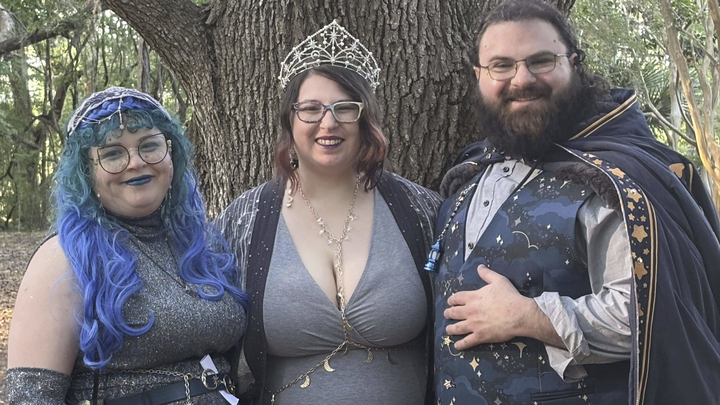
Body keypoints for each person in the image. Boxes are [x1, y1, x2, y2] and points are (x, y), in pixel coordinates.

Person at [431, 1, 720, 404]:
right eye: (502, 66)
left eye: (541, 61)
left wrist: (531, 317)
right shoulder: (465, 180)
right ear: (479, 75)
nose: (522, 79)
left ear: (574, 64)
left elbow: (653, 314)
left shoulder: (614, 182)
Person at [214, 20, 442, 405]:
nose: (329, 122)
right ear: (289, 120)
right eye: (311, 109)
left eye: (345, 108)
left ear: (364, 119)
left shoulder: (421, 211)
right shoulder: (243, 221)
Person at [6, 87, 249, 405]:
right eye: (112, 154)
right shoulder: (63, 258)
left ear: (171, 156)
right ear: (86, 173)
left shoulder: (205, 244)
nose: (135, 162)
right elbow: (31, 398)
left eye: (149, 146)